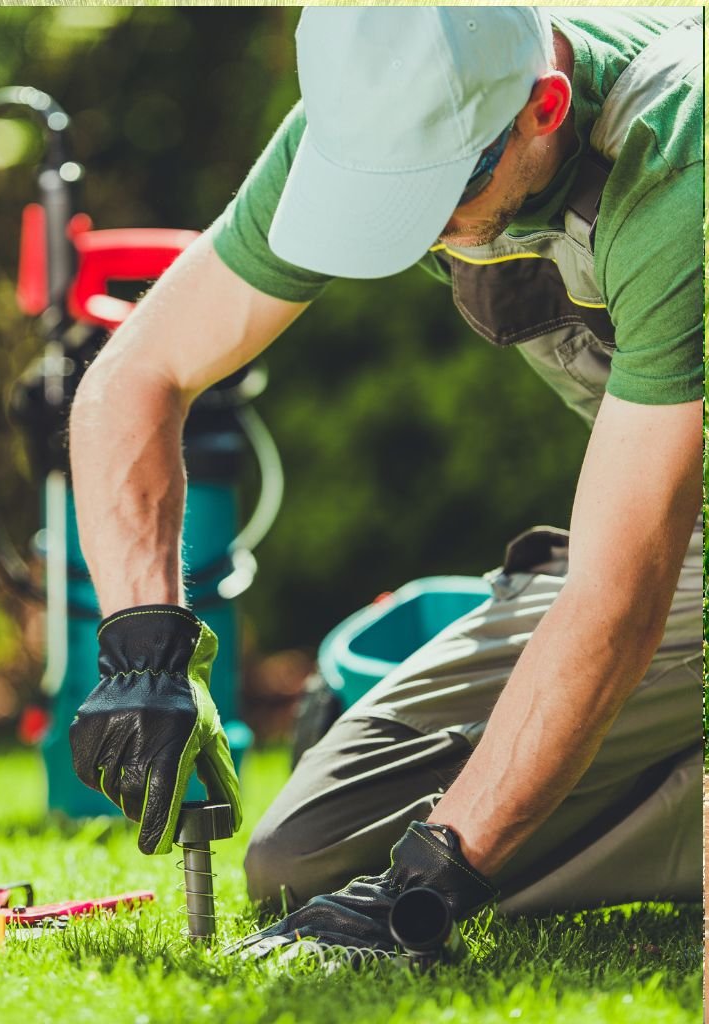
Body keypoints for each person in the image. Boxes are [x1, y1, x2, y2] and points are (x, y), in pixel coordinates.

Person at [66, 6, 703, 960]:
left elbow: (618, 596)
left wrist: (436, 879)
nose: (417, 230)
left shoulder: (677, 166)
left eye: (440, 192)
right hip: (678, 547)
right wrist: (144, 647)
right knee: (306, 861)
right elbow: (135, 378)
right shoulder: (371, 117)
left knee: (431, 867)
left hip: (651, 572)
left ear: (545, 108)